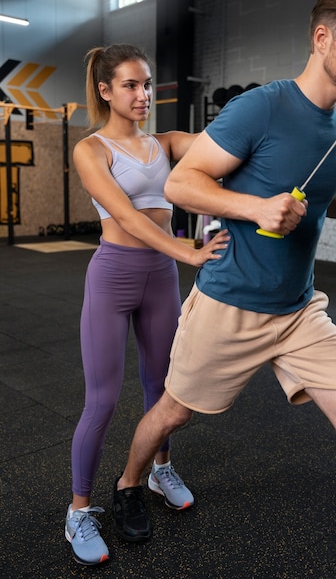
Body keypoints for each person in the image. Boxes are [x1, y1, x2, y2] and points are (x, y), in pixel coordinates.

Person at [116, 0, 336, 579]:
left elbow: (316, 198)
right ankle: (127, 484)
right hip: (229, 304)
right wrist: (255, 207)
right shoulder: (260, 108)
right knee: (173, 413)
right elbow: (181, 184)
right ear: (323, 38)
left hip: (298, 309)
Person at [64, 43, 229, 566]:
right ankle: (80, 510)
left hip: (159, 278)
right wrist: (185, 250)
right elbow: (129, 219)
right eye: (131, 85)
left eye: (148, 84)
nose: (143, 95)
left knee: (164, 387)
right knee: (103, 400)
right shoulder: (91, 150)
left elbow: (226, 147)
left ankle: (159, 471)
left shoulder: (168, 142)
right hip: (114, 275)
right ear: (105, 90)